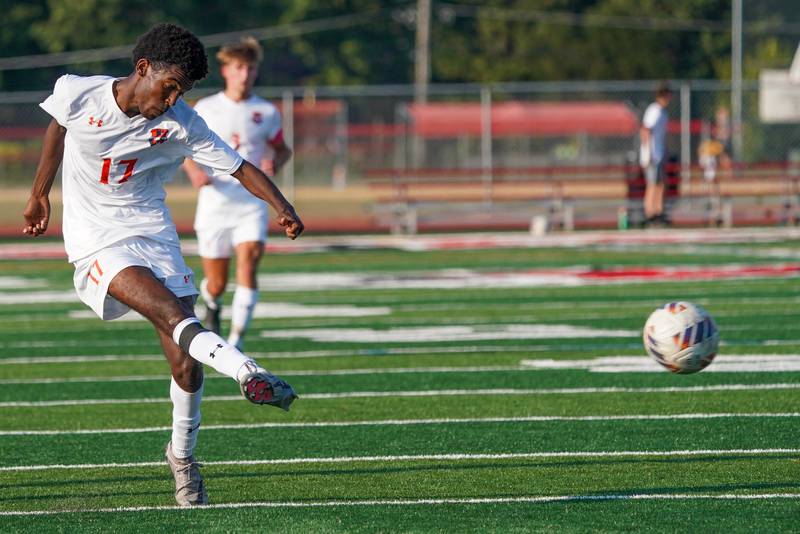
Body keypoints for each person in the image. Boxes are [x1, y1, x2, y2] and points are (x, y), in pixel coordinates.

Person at [22, 23, 304, 507]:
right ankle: (247, 372)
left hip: (152, 230)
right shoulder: (78, 92)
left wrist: (282, 207)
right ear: (142, 68)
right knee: (173, 316)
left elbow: (239, 166)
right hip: (96, 240)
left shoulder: (182, 121)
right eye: (170, 86)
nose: (173, 98)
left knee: (185, 363)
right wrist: (39, 193)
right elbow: (58, 127)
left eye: (183, 91)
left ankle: (182, 455)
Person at [182, 37, 291, 350]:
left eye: (251, 68)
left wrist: (276, 162)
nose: (245, 74)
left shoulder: (266, 111)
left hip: (251, 202)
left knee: (249, 263)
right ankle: (213, 303)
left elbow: (283, 150)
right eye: (239, 67)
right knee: (216, 282)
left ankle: (236, 342)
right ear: (226, 70)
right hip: (216, 202)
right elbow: (185, 149)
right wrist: (194, 171)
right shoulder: (206, 108)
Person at [639, 83, 672, 225]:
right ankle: (649, 212)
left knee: (661, 183)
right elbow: (645, 130)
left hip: (658, 154)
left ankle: (658, 211)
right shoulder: (654, 110)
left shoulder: (663, 112)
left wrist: (663, 151)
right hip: (652, 155)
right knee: (652, 184)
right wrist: (647, 153)